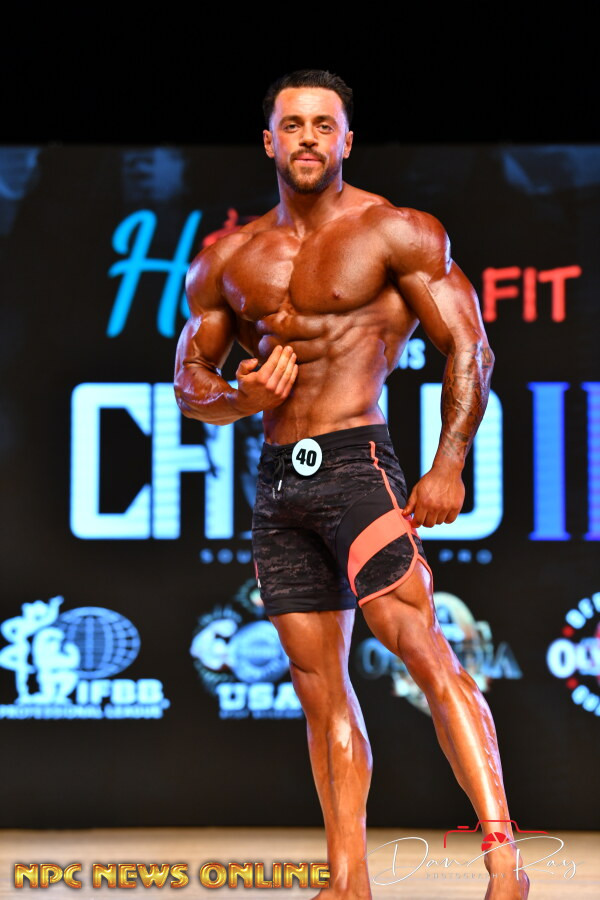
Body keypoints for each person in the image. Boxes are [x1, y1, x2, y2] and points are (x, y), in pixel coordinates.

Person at [174, 69, 529, 900]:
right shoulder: (227, 259)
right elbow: (190, 381)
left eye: (323, 124)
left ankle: (504, 859)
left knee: (422, 648)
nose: (307, 137)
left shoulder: (396, 231)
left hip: (358, 465)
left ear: (346, 140)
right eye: (292, 124)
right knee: (319, 693)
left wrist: (449, 464)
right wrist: (239, 401)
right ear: (269, 140)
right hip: (278, 485)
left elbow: (469, 347)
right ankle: (347, 881)